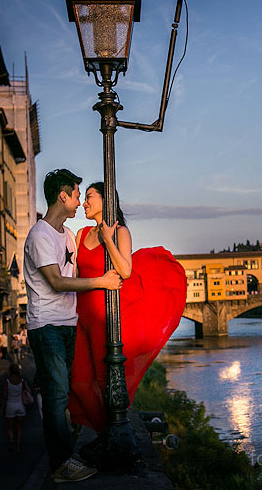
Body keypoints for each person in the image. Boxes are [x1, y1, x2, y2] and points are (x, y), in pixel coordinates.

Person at [68, 182, 185, 455]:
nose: (84, 202)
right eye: (83, 198)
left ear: (106, 200)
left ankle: (108, 438)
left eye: (89, 197)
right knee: (78, 382)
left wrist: (108, 238)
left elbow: (126, 270)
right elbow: (75, 275)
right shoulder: (81, 234)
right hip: (81, 317)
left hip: (105, 319)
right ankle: (105, 433)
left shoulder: (121, 231)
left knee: (105, 381)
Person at [23, 169, 122, 484]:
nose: (80, 201)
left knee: (64, 394)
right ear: (62, 196)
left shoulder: (66, 235)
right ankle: (61, 463)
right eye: (77, 195)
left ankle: (67, 456)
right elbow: (55, 281)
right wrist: (101, 282)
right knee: (56, 395)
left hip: (68, 324)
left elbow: (83, 264)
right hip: (47, 324)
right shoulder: (40, 235)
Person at [0, 363, 32, 452]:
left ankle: (11, 440)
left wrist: (2, 408)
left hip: (10, 406)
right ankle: (18, 446)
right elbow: (29, 391)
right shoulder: (22, 380)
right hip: (20, 406)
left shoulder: (7, 381)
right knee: (19, 428)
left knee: (10, 427)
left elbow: (4, 396)